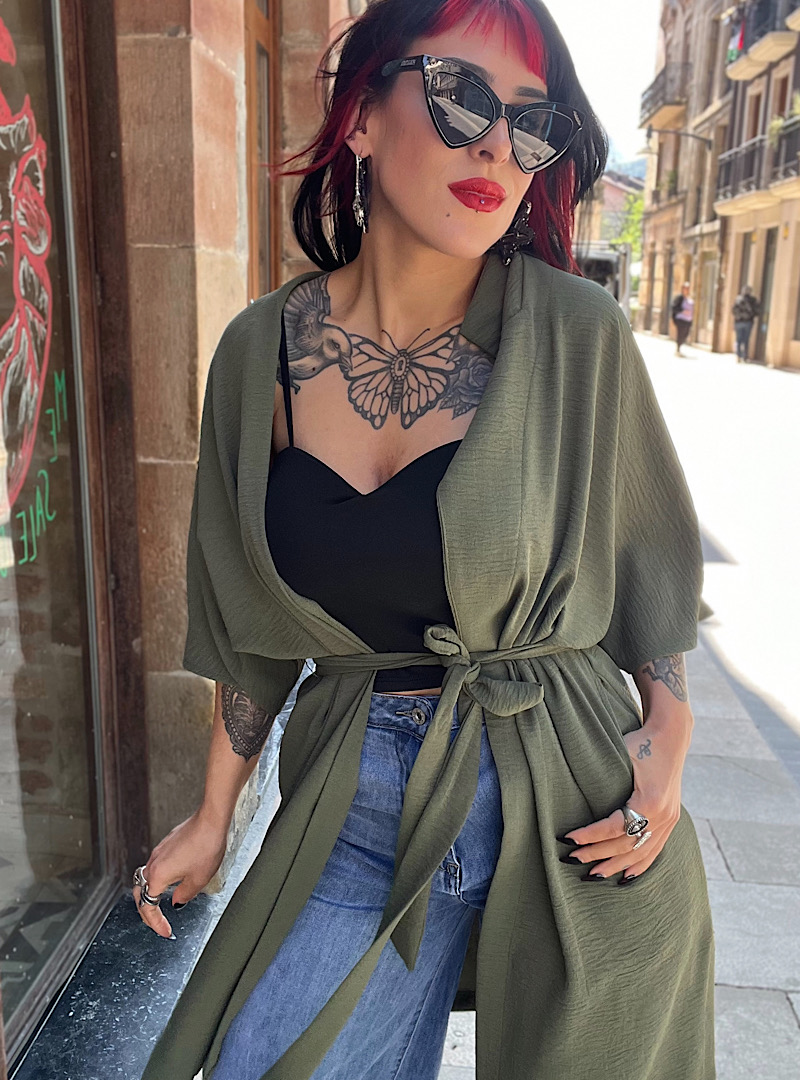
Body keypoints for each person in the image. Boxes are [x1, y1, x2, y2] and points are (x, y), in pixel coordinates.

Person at [137, 3, 716, 1079]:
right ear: (360, 116)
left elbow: (650, 564)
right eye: (461, 98)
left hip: (571, 799)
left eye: (530, 122)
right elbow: (247, 625)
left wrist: (666, 742)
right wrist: (215, 814)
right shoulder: (260, 354)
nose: (497, 145)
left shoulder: (576, 335)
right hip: (355, 804)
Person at [732, 283, 760, 363]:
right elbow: (757, 311)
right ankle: (744, 356)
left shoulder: (738, 299)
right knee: (746, 340)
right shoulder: (753, 300)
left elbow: (733, 310)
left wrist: (739, 316)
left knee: (739, 339)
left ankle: (739, 355)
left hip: (739, 322)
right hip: (748, 322)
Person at [671, 280, 694, 356]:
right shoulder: (679, 298)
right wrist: (683, 311)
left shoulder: (689, 298)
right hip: (680, 319)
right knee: (680, 334)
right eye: (685, 288)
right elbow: (674, 307)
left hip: (688, 320)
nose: (686, 290)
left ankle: (679, 346)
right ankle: (678, 349)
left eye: (688, 288)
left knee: (686, 334)